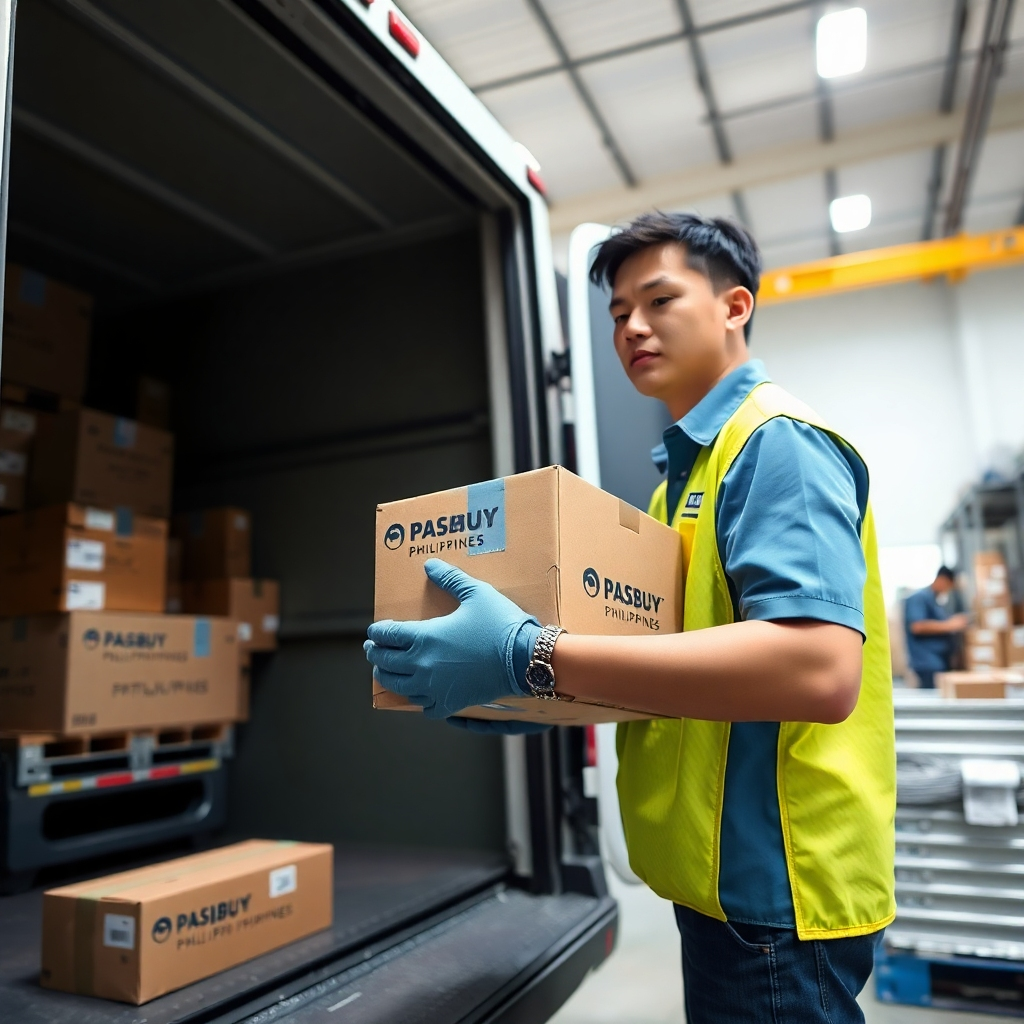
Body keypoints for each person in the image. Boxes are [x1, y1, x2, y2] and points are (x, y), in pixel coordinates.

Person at [365, 212, 895, 1024]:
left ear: (734, 306)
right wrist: (535, 699)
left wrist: (530, 655)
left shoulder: (774, 443)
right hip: (719, 883)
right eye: (617, 314)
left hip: (775, 891)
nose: (633, 327)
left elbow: (818, 669)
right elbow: (674, 667)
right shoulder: (676, 482)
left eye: (658, 299)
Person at [904, 567, 968, 689]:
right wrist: (950, 625)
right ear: (942, 580)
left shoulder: (933, 600)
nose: (947, 591)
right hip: (927, 662)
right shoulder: (919, 598)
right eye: (948, 586)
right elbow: (917, 626)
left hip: (939, 661)